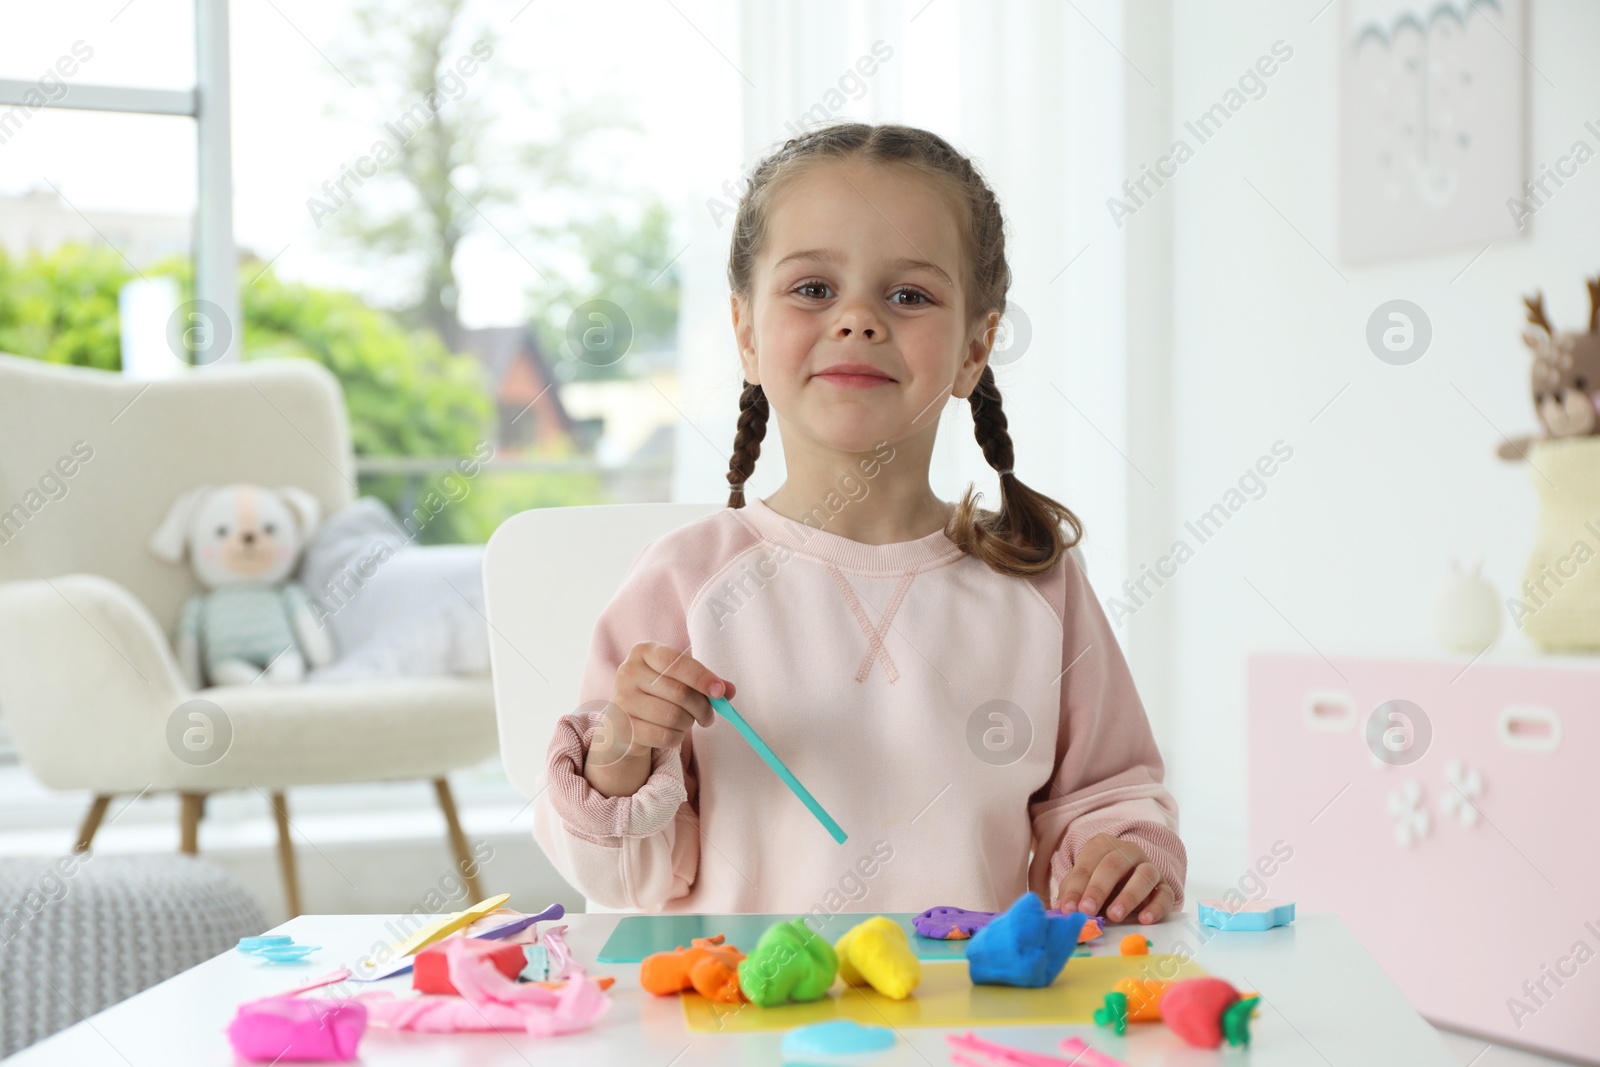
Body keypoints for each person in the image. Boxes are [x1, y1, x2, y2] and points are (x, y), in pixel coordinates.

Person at [531, 122, 1185, 931]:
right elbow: (626, 881)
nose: (858, 320)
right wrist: (625, 749)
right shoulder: (683, 582)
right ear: (745, 333)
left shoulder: (1039, 582)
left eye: (908, 295)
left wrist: (1120, 856)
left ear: (976, 347)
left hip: (967, 1030)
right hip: (739, 1032)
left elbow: (1106, 798)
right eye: (812, 289)